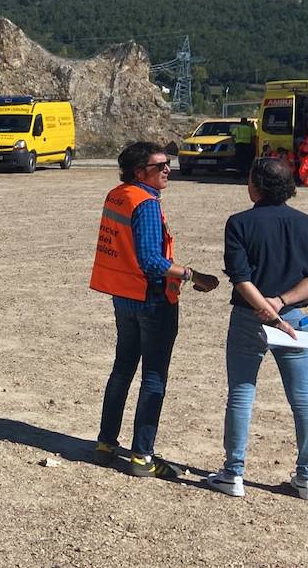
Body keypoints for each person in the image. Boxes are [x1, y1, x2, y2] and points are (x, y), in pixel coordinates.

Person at [89, 141, 220, 478]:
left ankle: (105, 444)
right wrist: (192, 275)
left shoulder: (117, 194)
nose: (167, 170)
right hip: (152, 299)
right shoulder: (145, 204)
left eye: (168, 164)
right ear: (139, 171)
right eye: (160, 165)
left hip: (124, 297)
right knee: (154, 378)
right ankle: (142, 457)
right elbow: (150, 261)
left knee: (121, 370)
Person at [205, 157, 308, 501]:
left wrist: (267, 309)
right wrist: (281, 302)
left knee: (242, 392)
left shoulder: (240, 224)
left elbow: (241, 277)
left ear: (256, 185)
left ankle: (234, 473)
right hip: (295, 320)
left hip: (251, 318)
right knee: (302, 398)